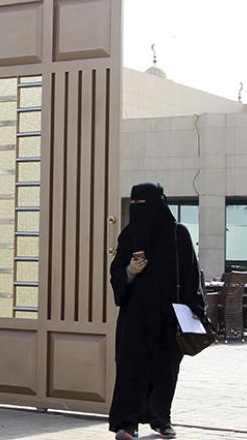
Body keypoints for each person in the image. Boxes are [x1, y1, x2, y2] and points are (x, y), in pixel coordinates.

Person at [108, 183, 206, 440]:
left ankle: (160, 419)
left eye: (143, 204)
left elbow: (191, 275)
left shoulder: (178, 235)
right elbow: (116, 272)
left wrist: (195, 308)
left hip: (168, 317)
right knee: (131, 369)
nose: (138, 210)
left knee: (165, 369)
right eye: (134, 204)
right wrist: (130, 271)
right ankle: (127, 424)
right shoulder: (129, 236)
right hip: (134, 318)